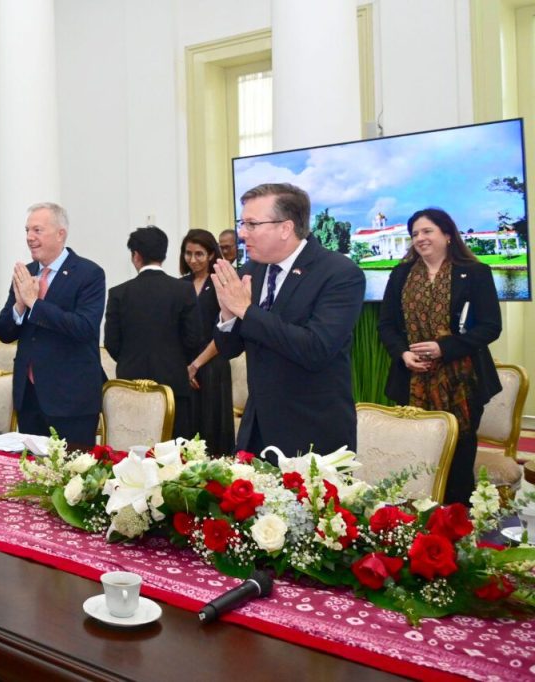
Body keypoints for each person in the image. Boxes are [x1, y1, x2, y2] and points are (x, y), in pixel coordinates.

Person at [213, 183, 365, 460]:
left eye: (251, 224)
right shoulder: (250, 271)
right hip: (256, 430)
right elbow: (229, 349)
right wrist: (227, 314)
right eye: (242, 223)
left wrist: (246, 311)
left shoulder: (340, 273)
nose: (242, 233)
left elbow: (315, 349)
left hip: (312, 435)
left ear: (285, 228)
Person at [378, 208, 502, 505]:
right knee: (416, 452)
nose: (420, 238)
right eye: (415, 234)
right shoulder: (400, 274)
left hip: (463, 382)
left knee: (460, 453)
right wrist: (403, 353)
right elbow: (387, 325)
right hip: (411, 380)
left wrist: (444, 348)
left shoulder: (475, 273)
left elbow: (490, 327)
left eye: (427, 231)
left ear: (447, 235)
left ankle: (456, 521)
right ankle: (415, 520)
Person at [0, 202, 106, 445]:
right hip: (29, 397)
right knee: (31, 476)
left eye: (37, 230)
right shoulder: (26, 272)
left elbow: (84, 327)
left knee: (71, 477)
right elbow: (4, 332)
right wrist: (19, 306)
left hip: (71, 399)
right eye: (27, 231)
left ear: (60, 234)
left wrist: (35, 303)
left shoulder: (89, 274)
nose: (29, 238)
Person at [104, 226, 200, 440]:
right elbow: (194, 338)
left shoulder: (119, 293)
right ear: (164, 255)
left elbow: (111, 341)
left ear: (136, 256)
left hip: (130, 383)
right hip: (174, 383)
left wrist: (130, 358)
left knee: (132, 448)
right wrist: (176, 360)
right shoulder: (183, 290)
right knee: (174, 455)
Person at [179, 229, 235, 456]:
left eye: (199, 254)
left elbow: (224, 331)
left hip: (213, 364)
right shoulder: (180, 284)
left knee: (212, 432)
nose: (193, 260)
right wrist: (186, 366)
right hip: (185, 368)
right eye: (188, 254)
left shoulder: (222, 284)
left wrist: (196, 365)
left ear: (212, 255)